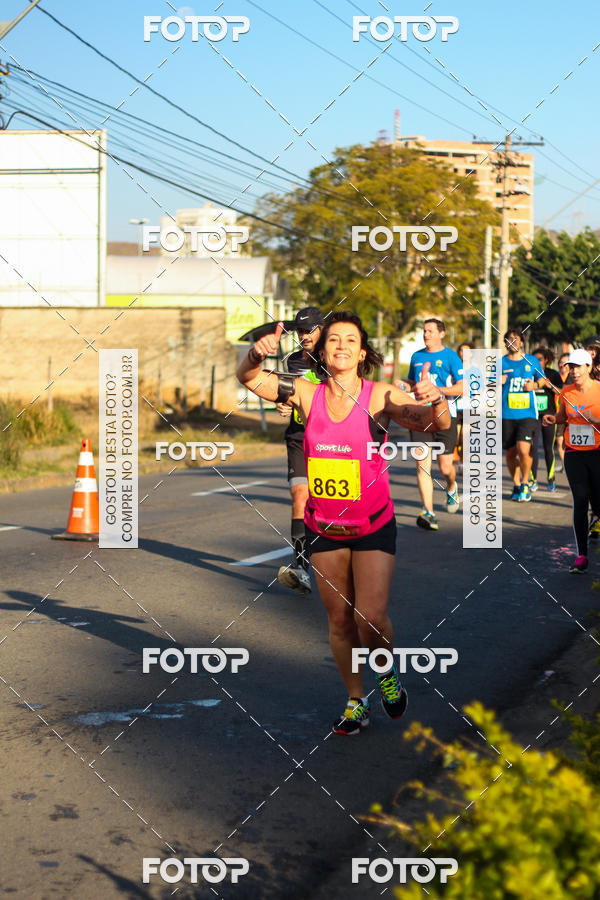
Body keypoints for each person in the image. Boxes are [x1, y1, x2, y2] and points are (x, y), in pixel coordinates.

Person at [237, 311, 451, 735]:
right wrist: (254, 355)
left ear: (363, 352)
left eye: (350, 340)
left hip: (372, 526)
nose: (341, 346)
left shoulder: (380, 396)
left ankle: (385, 675)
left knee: (369, 618)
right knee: (339, 620)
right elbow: (249, 379)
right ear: (321, 349)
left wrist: (437, 400)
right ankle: (356, 701)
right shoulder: (304, 393)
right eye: (333, 339)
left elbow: (438, 430)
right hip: (324, 528)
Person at [276, 307, 324, 595]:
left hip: (328, 438)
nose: (303, 335)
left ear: (321, 330)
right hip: (297, 436)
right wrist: (282, 404)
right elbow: (283, 393)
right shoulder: (292, 360)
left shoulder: (332, 360)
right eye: (299, 331)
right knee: (299, 496)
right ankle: (301, 567)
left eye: (308, 330)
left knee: (326, 503)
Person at [398, 319, 463, 531]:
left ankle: (452, 487)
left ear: (441, 333)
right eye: (424, 331)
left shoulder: (450, 356)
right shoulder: (417, 356)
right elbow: (411, 382)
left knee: (445, 467)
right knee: (422, 465)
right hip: (420, 417)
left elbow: (462, 387)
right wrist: (403, 385)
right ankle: (429, 511)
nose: (426, 334)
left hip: (445, 415)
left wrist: (439, 391)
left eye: (430, 331)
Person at [542, 348, 600, 573]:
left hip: (597, 451)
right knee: (580, 499)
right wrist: (553, 419)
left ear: (588, 367)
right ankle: (582, 555)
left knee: (597, 496)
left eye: (578, 367)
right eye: (571, 367)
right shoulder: (565, 392)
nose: (573, 371)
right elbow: (563, 417)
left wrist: (596, 419)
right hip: (574, 452)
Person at [501, 329, 544, 502]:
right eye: (509, 339)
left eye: (516, 339)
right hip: (506, 413)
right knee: (511, 453)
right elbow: (487, 384)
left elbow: (543, 379)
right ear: (505, 343)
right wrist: (497, 381)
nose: (513, 342)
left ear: (521, 342)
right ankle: (517, 484)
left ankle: (526, 482)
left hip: (527, 413)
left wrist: (534, 385)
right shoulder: (500, 362)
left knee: (523, 448)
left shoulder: (531, 360)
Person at [530, 347, 562, 492]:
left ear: (546, 360)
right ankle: (533, 480)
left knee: (548, 448)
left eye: (540, 360)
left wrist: (550, 385)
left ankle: (551, 479)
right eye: (534, 360)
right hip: (532, 415)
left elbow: (562, 392)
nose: (537, 363)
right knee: (533, 448)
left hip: (549, 415)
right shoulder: (529, 374)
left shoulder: (553, 374)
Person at [555, 352, 571, 473]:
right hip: (558, 412)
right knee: (559, 441)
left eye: (565, 363)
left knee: (568, 441)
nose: (563, 365)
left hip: (571, 414)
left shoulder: (573, 377)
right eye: (561, 362)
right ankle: (565, 465)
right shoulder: (556, 377)